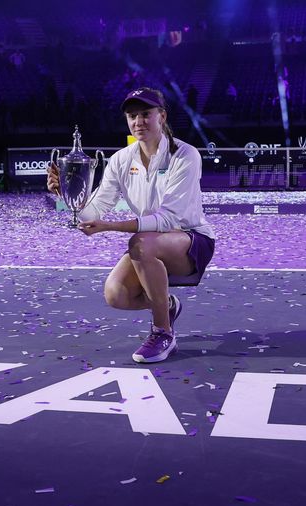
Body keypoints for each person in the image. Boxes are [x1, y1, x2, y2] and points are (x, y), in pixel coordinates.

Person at [47, 86, 215, 364]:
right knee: (117, 294)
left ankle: (163, 332)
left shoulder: (185, 155)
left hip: (190, 241)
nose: (138, 121)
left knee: (140, 243)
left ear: (162, 116)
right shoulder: (120, 160)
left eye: (145, 114)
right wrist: (65, 194)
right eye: (132, 116)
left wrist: (110, 227)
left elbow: (168, 219)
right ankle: (168, 304)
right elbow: (95, 209)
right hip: (149, 244)